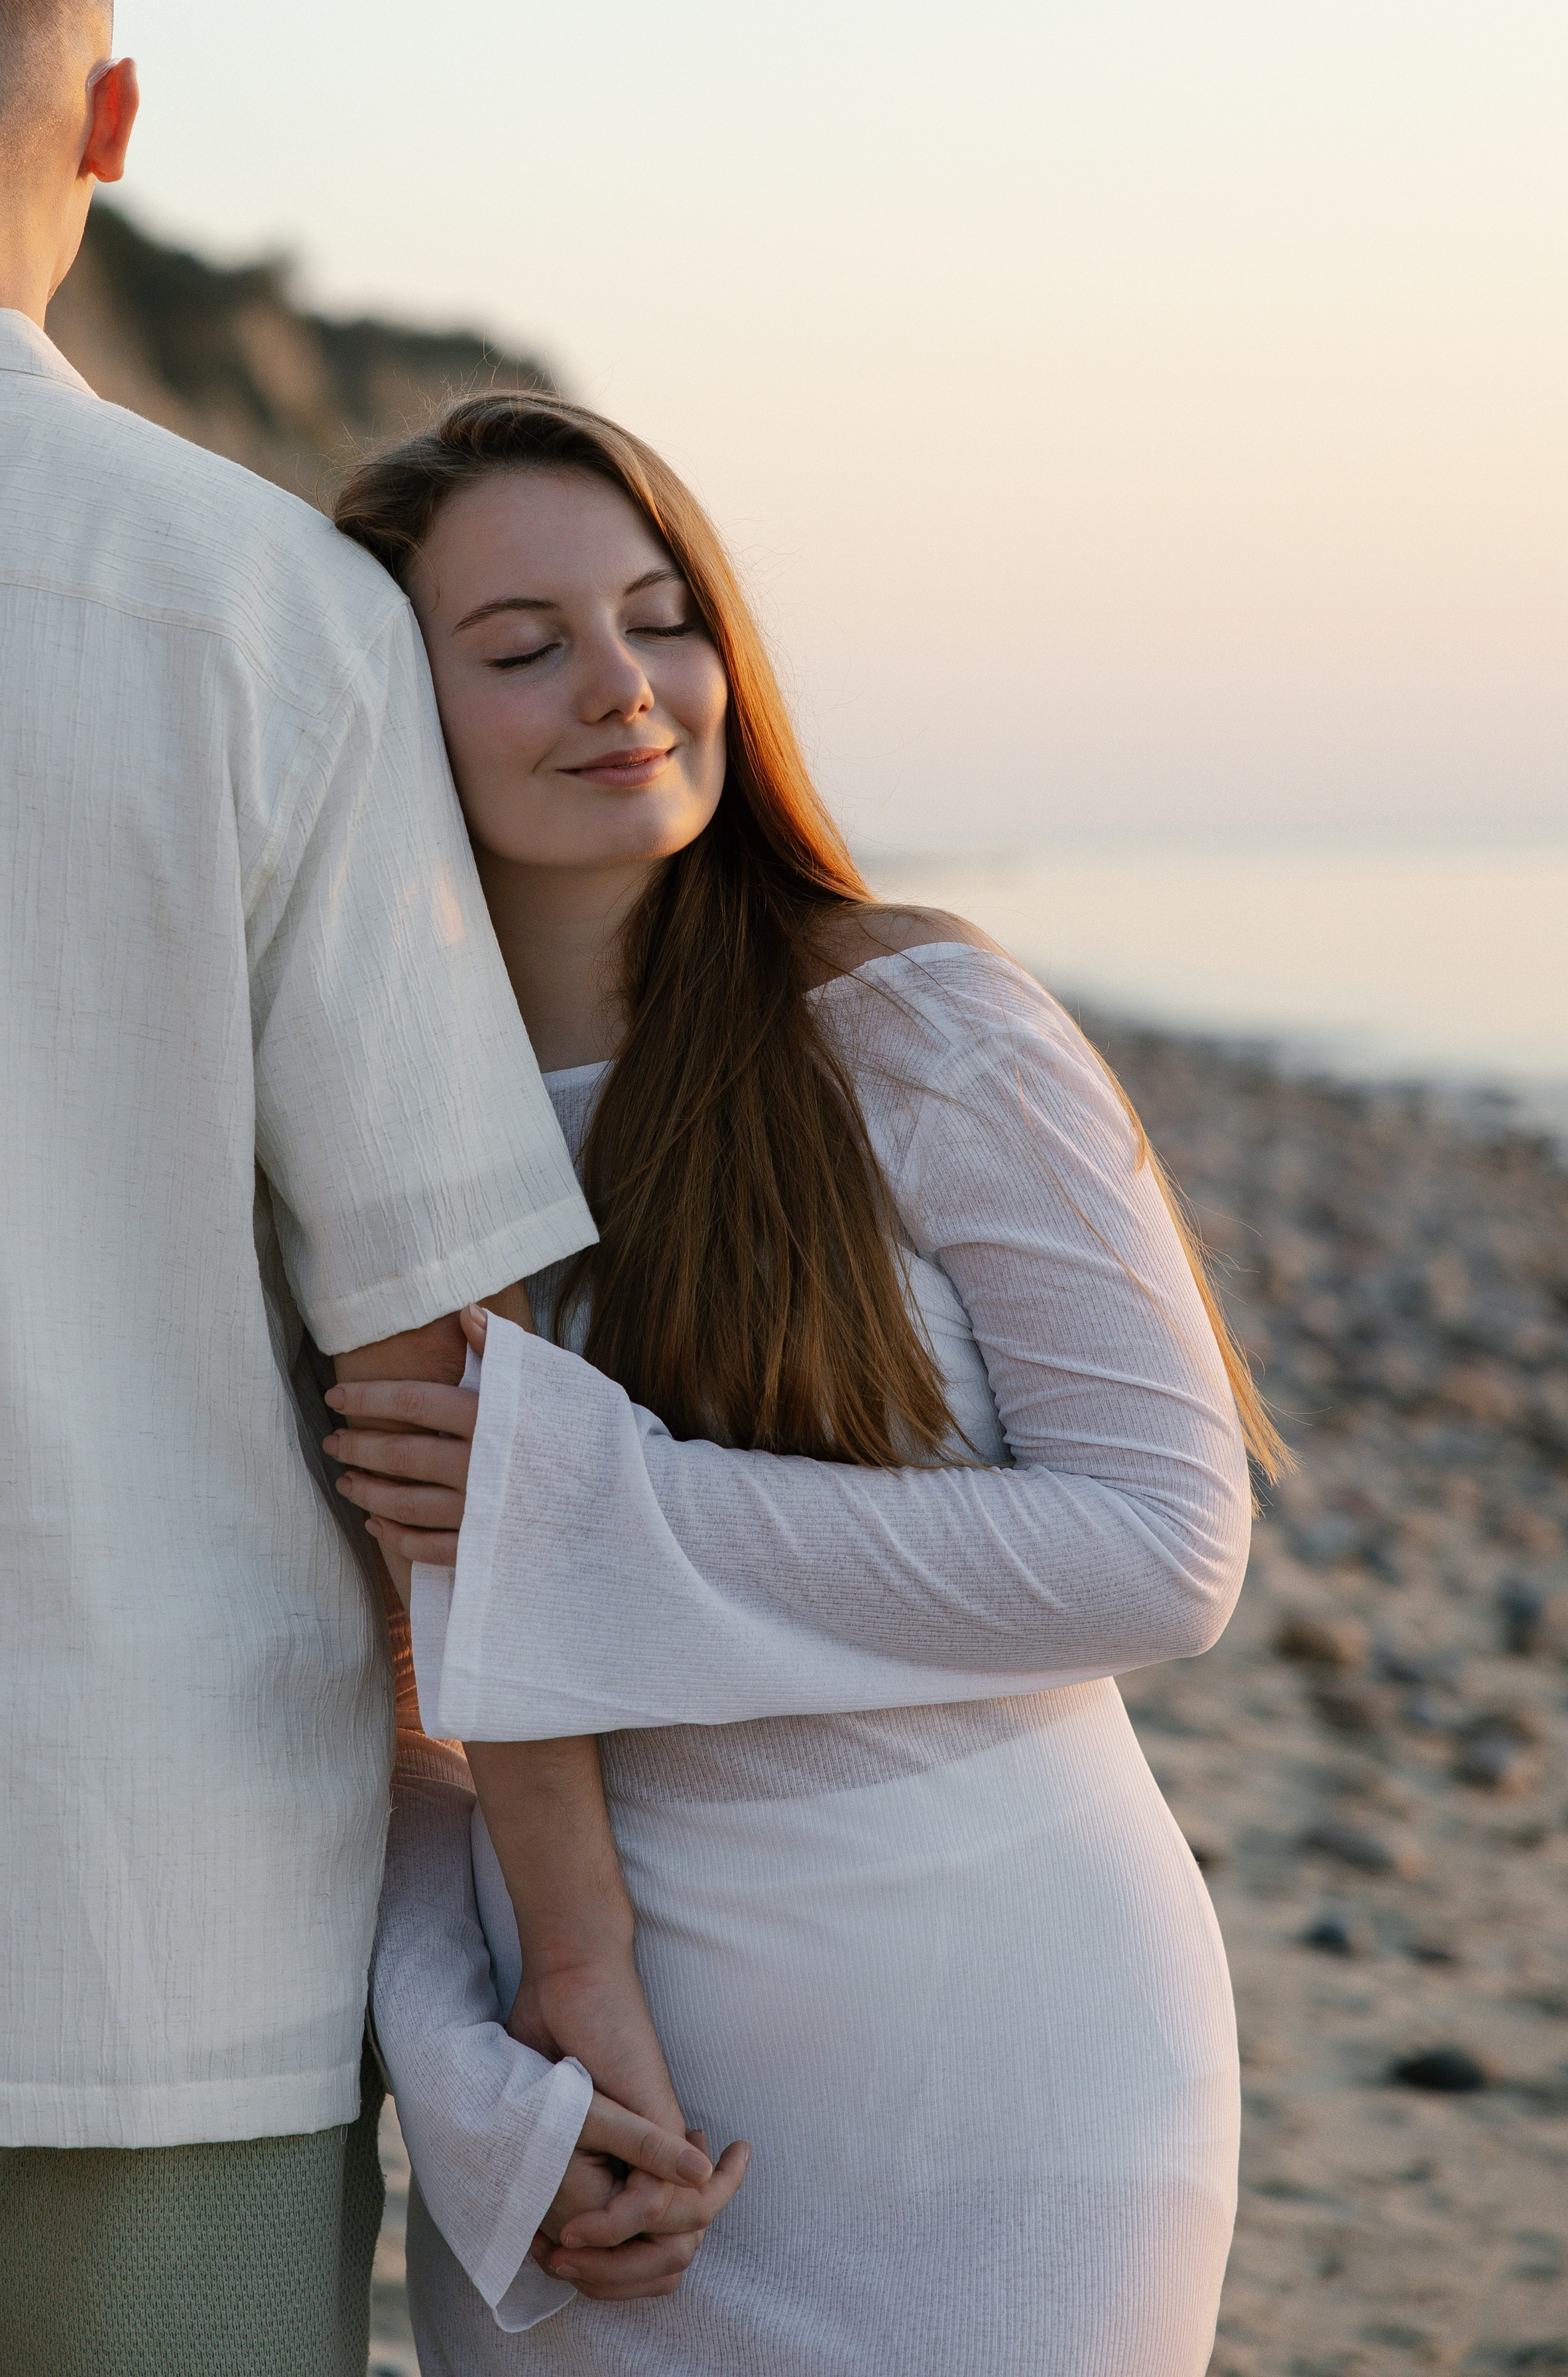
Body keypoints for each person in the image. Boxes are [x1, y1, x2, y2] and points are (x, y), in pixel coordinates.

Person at [0, 15, 702, 2374]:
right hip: (166, 1914)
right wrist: (576, 1958)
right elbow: (439, 1360)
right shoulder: (263, 605)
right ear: (113, 127)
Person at [325, 394, 1287, 2372]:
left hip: (1010, 2079)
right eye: (522, 647)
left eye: (663, 616)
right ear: (377, 709)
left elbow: (1165, 1546)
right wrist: (484, 2087)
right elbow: (376, 1719)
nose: (622, 686)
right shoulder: (340, 1145)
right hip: (605, 2125)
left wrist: (600, 1508)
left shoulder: (920, 1022)